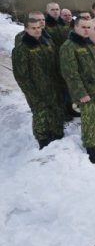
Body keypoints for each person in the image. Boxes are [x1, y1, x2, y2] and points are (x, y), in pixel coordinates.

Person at [60, 17, 95, 165]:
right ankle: (90, 148)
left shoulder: (89, 44)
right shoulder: (68, 47)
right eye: (83, 27)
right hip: (86, 92)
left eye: (89, 27)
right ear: (75, 27)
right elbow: (70, 73)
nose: (86, 30)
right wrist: (80, 93)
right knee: (89, 120)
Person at [12, 18, 65, 149]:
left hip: (54, 85)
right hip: (36, 88)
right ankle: (42, 138)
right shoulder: (21, 49)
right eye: (33, 28)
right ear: (26, 29)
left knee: (56, 109)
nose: (37, 30)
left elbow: (56, 62)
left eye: (38, 28)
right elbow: (21, 76)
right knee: (40, 112)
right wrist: (31, 93)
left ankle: (57, 133)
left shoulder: (47, 42)